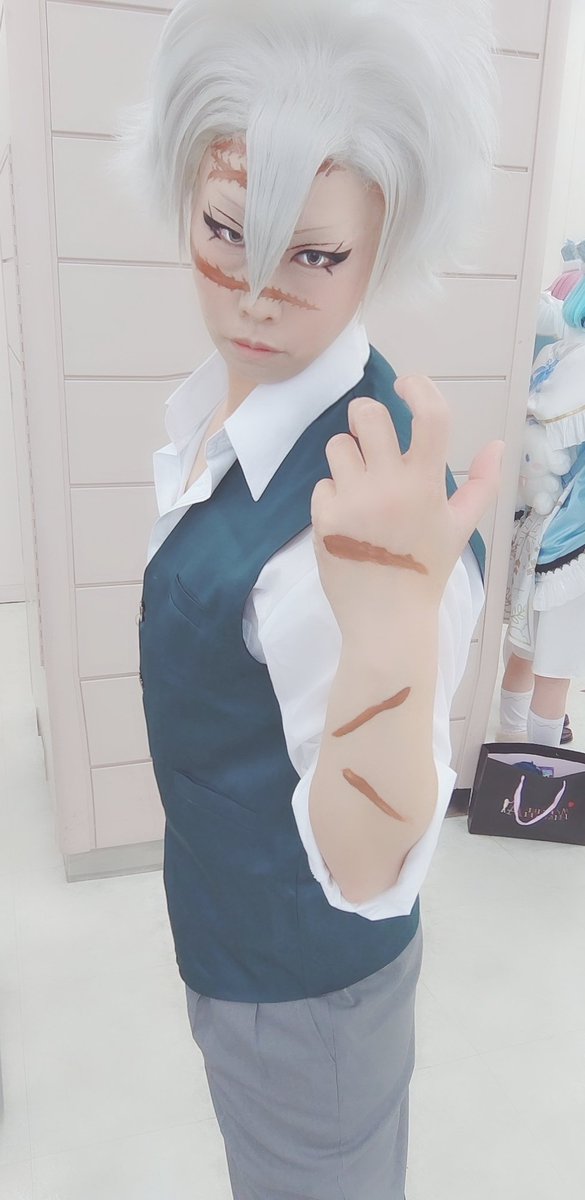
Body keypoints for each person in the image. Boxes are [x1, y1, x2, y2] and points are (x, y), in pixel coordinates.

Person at [118, 1, 502, 1195]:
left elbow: (372, 870)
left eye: (312, 254)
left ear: (382, 241)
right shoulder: (222, 407)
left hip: (304, 1001)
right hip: (235, 947)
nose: (255, 292)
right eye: (228, 230)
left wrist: (389, 642)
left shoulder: (356, 517)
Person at [501, 272, 585, 748]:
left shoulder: (556, 356)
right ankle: (539, 770)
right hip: (570, 540)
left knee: (524, 650)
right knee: (555, 669)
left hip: (539, 525)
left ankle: (507, 744)